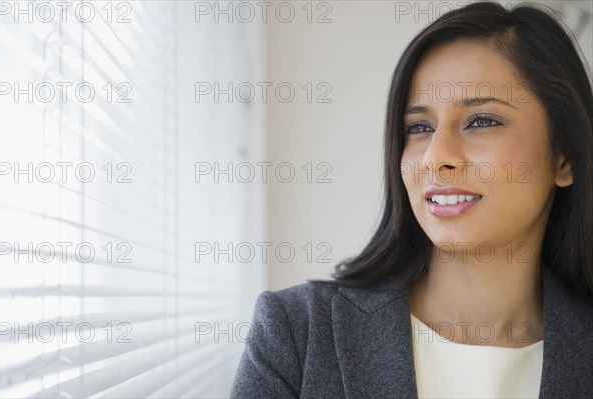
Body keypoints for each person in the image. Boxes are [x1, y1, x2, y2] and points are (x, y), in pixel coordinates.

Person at [230, 2, 593, 398]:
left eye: (482, 121)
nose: (436, 158)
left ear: (564, 157)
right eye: (419, 127)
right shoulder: (295, 333)